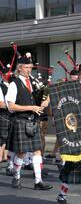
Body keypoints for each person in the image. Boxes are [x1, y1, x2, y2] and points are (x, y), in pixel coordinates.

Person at [5, 55, 52, 190]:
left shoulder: (33, 83)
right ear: (19, 68)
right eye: (26, 67)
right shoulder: (14, 84)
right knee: (21, 152)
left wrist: (45, 101)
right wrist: (31, 108)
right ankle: (16, 175)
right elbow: (11, 106)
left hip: (33, 121)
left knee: (37, 151)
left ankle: (38, 181)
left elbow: (39, 100)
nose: (29, 70)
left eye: (31, 68)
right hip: (20, 120)